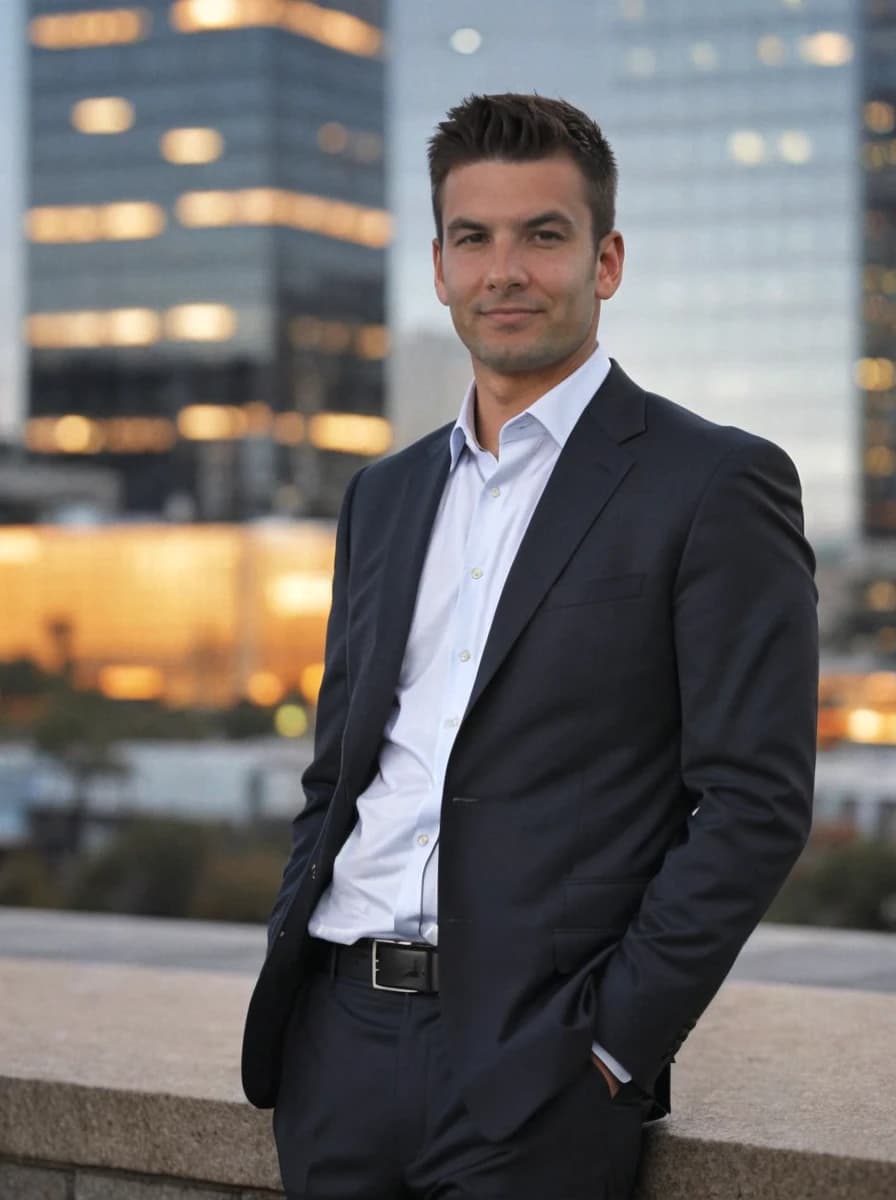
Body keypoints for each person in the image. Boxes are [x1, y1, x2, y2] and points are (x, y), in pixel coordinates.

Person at [242, 93, 818, 1200]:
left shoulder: (711, 483)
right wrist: (300, 967)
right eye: (474, 238)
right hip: (338, 1046)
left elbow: (753, 799)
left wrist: (611, 1046)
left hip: (537, 1070)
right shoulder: (382, 494)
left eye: (541, 235)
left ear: (604, 261)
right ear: (438, 265)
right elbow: (341, 765)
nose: (504, 269)